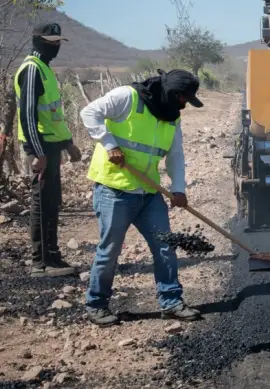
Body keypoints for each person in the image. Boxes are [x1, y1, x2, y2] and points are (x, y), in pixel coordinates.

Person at [79, 69, 204, 326]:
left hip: (149, 194)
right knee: (109, 251)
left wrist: (178, 188)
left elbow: (175, 155)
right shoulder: (128, 97)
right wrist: (109, 144)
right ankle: (97, 305)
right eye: (183, 99)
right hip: (115, 190)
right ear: (172, 93)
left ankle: (170, 302)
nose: (184, 106)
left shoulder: (172, 117)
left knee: (165, 247)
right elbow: (89, 112)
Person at [14, 22, 83, 278]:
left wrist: (68, 143)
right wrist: (37, 152)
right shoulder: (32, 70)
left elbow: (52, 113)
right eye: (50, 41)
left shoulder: (44, 69)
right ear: (38, 40)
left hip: (53, 146)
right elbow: (28, 116)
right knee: (41, 202)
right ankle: (40, 264)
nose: (55, 46)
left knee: (52, 202)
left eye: (58, 42)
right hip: (40, 148)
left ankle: (53, 257)